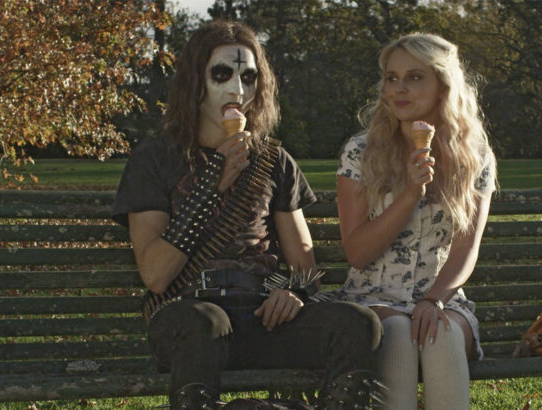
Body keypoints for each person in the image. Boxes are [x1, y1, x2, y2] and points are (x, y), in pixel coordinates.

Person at [112, 20, 382, 410]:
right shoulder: (155, 159)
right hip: (190, 318)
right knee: (204, 322)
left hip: (263, 316)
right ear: (195, 82)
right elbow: (155, 275)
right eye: (221, 75)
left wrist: (294, 291)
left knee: (357, 323)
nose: (237, 90)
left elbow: (304, 265)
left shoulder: (273, 160)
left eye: (249, 78)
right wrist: (211, 185)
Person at [332, 33, 497, 409]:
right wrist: (409, 194)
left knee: (442, 335)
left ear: (443, 86)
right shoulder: (362, 152)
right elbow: (357, 253)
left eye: (415, 77)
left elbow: (466, 249)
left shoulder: (474, 155)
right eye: (392, 78)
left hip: (442, 297)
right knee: (396, 335)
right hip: (371, 299)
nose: (400, 89)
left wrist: (434, 300)